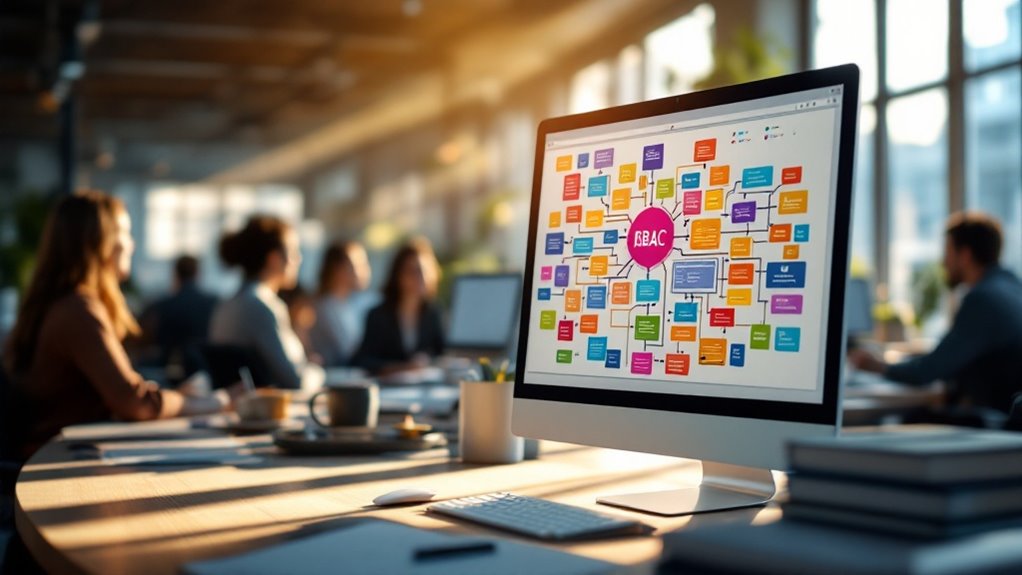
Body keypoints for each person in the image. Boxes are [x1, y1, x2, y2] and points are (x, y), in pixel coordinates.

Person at [2, 191, 228, 459]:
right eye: (125, 232)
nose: (131, 244)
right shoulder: (78, 311)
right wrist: (217, 402)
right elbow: (133, 402)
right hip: (58, 461)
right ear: (101, 242)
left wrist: (177, 397)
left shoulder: (61, 304)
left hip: (57, 453)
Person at [849, 212, 1022, 412]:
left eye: (947, 252)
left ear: (965, 255)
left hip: (992, 425)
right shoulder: (1012, 288)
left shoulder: (983, 300)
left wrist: (876, 365)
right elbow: (950, 356)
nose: (943, 263)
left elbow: (928, 371)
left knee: (908, 417)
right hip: (1008, 419)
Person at [209, 215, 324, 391]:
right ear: (274, 258)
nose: (299, 259)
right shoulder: (262, 307)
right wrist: (318, 372)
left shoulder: (226, 305)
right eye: (293, 251)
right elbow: (295, 381)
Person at [353, 238, 445, 375]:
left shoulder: (433, 313)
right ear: (398, 275)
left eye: (424, 270)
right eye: (413, 271)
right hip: (388, 389)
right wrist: (402, 367)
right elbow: (363, 361)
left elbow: (442, 354)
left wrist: (427, 361)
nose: (420, 277)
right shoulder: (378, 315)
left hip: (424, 389)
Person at [140, 255, 218, 381]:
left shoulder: (163, 305)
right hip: (206, 370)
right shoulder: (214, 303)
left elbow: (148, 336)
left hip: (169, 370)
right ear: (198, 273)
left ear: (176, 274)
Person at [309, 241, 378, 367]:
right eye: (357, 265)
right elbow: (349, 351)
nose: (365, 271)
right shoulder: (324, 307)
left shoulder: (351, 303)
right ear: (337, 269)